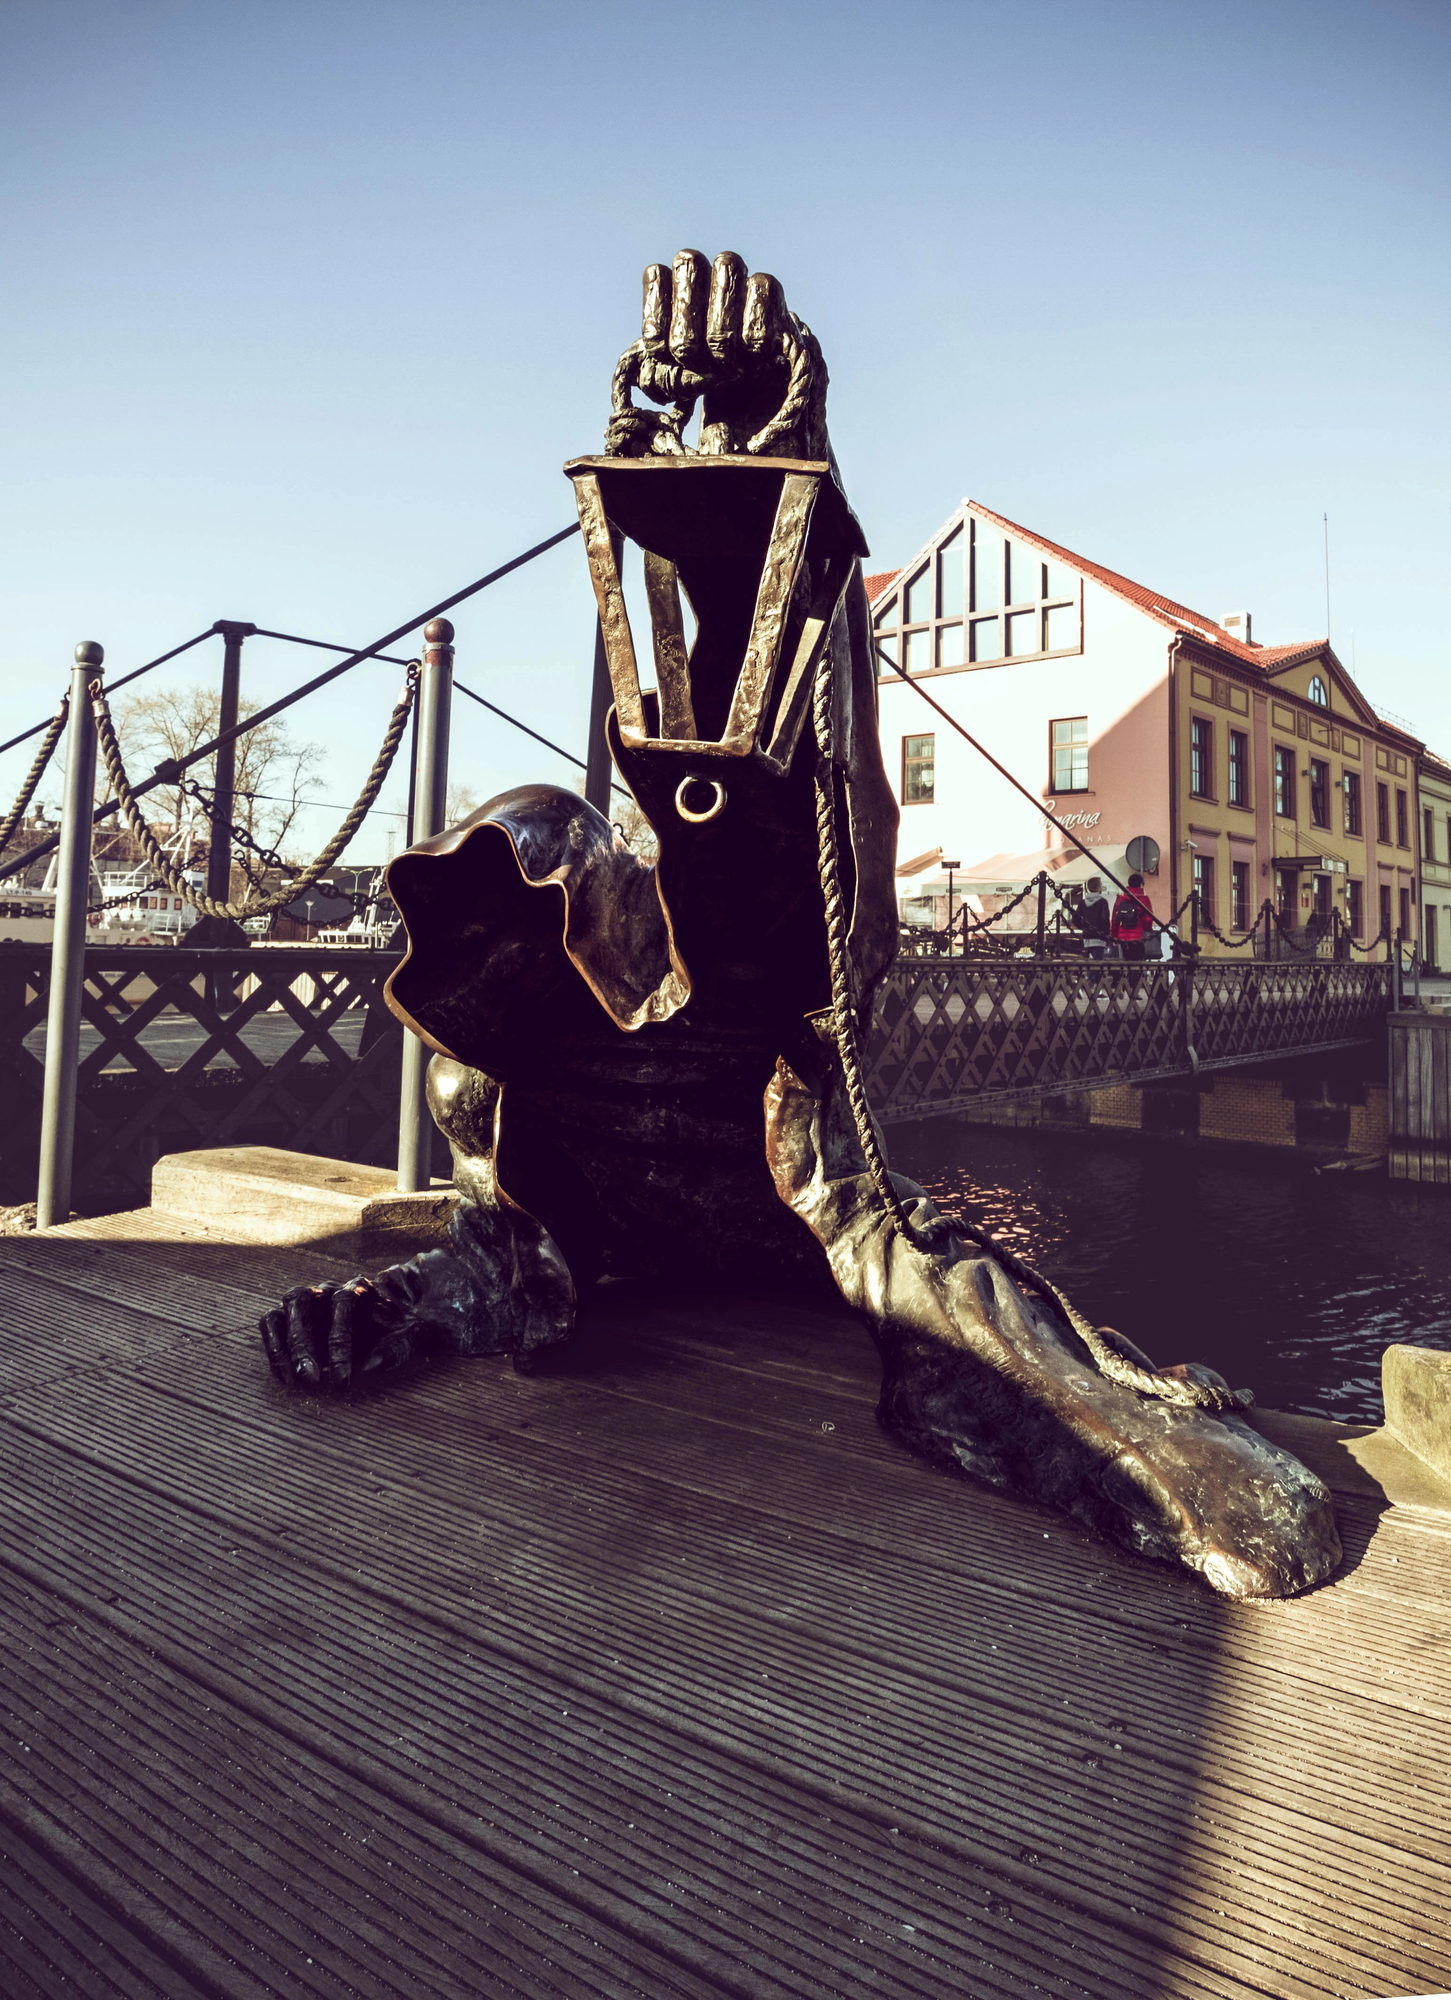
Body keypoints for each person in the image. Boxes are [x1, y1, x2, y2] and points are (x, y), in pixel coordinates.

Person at [1110, 872, 1153, 960]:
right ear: (1141, 884)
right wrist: (1147, 930)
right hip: (1138, 937)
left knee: (1126, 962)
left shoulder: (1120, 898)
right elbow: (1148, 918)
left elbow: (1115, 918)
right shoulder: (1144, 899)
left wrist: (1114, 935)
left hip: (1122, 936)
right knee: (1138, 964)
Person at [1077, 876, 1112, 959]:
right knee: (1097, 964)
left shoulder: (1082, 902)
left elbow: (1075, 918)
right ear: (1099, 887)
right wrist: (1106, 934)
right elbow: (1104, 919)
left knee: (1088, 963)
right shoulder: (1103, 902)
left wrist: (1084, 928)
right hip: (1099, 937)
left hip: (1087, 937)